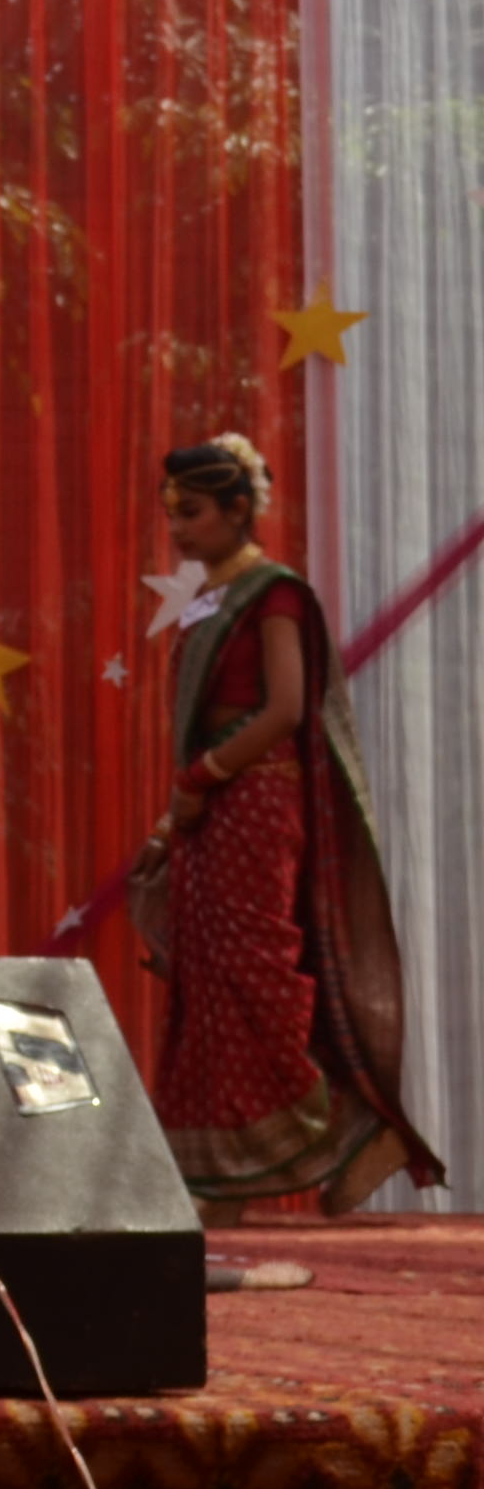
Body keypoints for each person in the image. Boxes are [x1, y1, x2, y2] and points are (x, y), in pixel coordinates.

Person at [128, 433, 441, 1219]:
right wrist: (176, 814)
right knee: (207, 989)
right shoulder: (209, 598)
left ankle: (359, 1130)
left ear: (240, 509)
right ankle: (221, 1181)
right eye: (173, 514)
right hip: (211, 804)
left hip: (258, 800)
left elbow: (287, 709)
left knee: (257, 982)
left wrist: (202, 779)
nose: (179, 529)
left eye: (194, 513)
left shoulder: (274, 594)